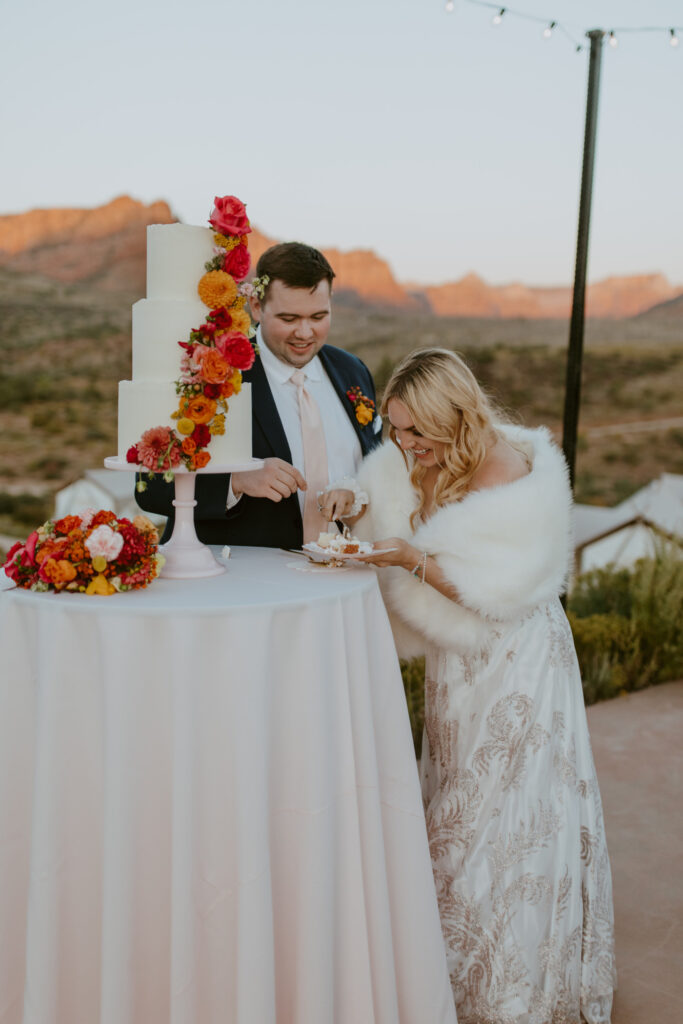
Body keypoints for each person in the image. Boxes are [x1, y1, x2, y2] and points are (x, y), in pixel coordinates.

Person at [325, 348, 616, 1024]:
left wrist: (409, 558)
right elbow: (393, 497)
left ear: (451, 418)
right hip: (457, 662)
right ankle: (445, 969)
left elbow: (494, 595)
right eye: (394, 430)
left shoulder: (504, 470)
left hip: (513, 658)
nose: (402, 444)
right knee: (455, 793)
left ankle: (507, 987)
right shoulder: (426, 455)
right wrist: (358, 494)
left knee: (503, 812)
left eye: (412, 432)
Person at [136, 242, 382, 549]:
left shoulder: (353, 372)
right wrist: (236, 482)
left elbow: (378, 468)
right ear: (255, 306)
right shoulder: (210, 373)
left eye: (318, 317)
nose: (305, 333)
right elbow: (151, 489)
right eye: (289, 319)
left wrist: (355, 495)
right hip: (240, 584)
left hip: (339, 582)